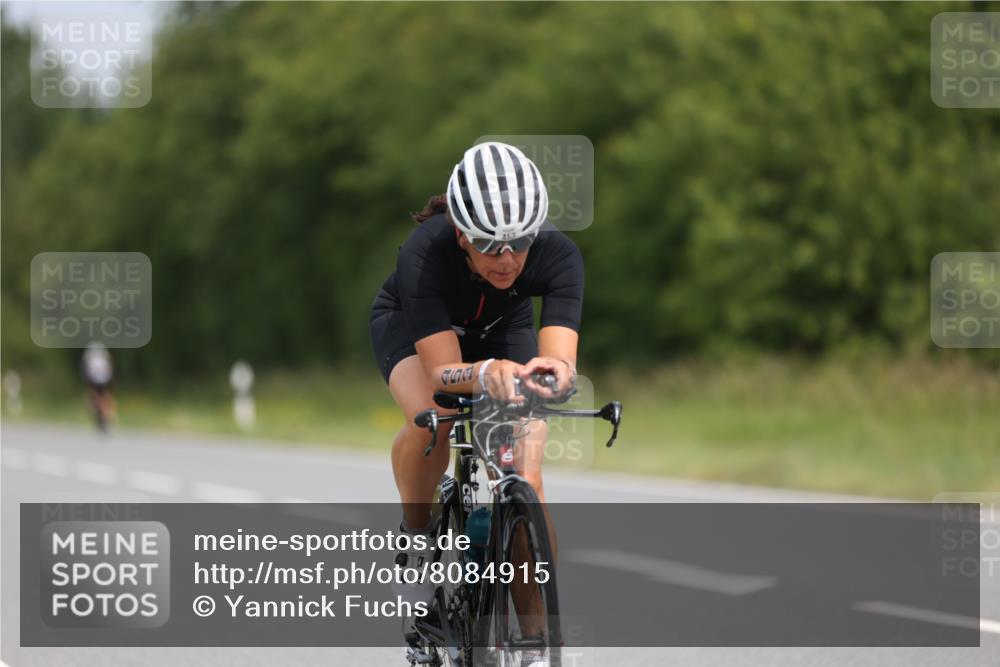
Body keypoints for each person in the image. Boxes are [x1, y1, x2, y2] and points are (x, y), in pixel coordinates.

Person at [370, 142, 583, 606]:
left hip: (501, 330)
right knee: (433, 418)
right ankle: (418, 534)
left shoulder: (559, 256)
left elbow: (561, 361)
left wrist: (556, 375)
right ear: (461, 234)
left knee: (526, 473)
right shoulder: (425, 254)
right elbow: (444, 372)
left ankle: (535, 647)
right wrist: (486, 373)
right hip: (416, 329)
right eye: (489, 244)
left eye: (520, 242)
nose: (506, 260)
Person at [80, 341, 116, 432]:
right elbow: (110, 370)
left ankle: (104, 414)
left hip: (94, 380)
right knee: (105, 397)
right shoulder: (104, 358)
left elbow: (86, 372)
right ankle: (109, 413)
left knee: (93, 398)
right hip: (105, 380)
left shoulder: (90, 358)